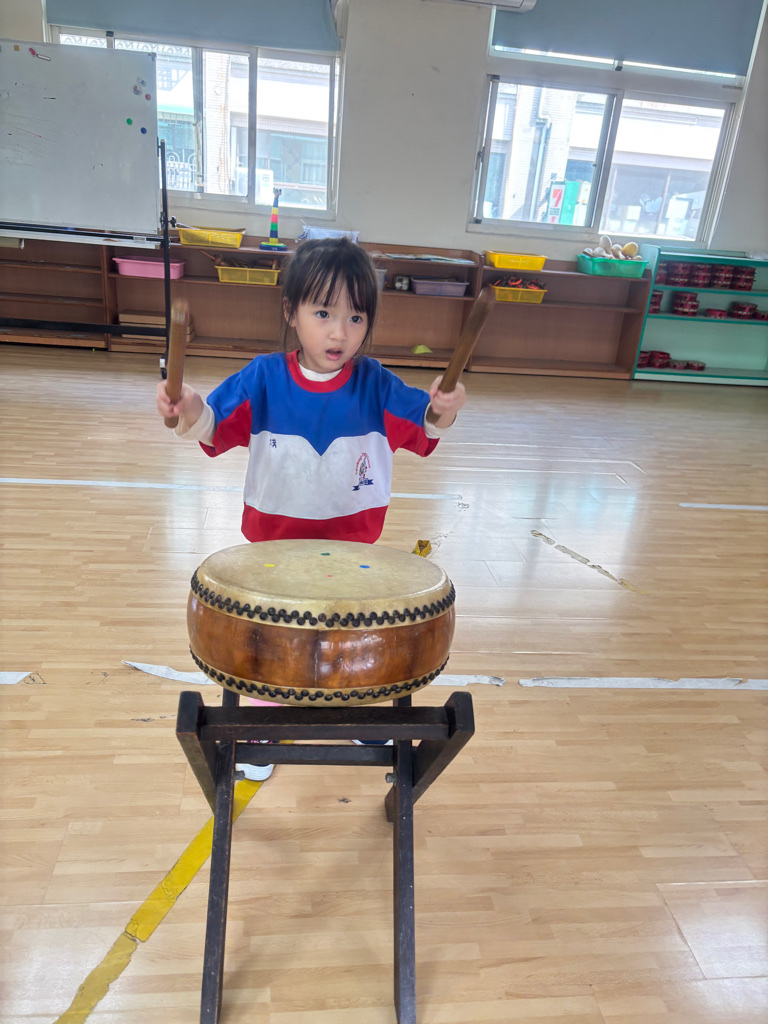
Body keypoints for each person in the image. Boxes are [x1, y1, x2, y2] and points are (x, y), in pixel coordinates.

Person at [156, 237, 467, 778]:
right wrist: (188, 407)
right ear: (290, 312)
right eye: (323, 313)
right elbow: (211, 425)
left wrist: (445, 408)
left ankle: (353, 706)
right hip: (272, 550)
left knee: (349, 633)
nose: (339, 332)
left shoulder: (376, 384)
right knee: (273, 639)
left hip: (353, 552)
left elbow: (426, 426)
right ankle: (262, 715)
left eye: (355, 317)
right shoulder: (263, 378)